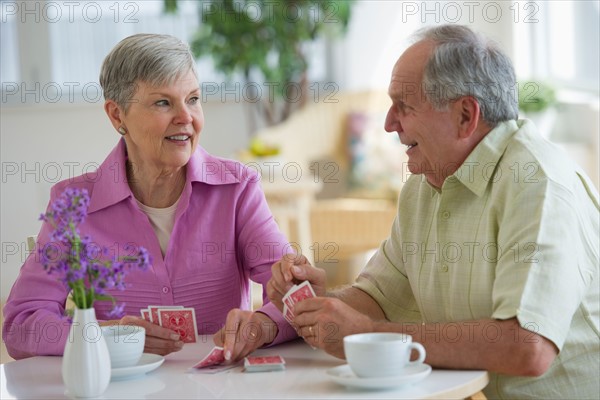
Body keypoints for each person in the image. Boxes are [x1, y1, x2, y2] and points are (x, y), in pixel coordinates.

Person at [268, 25, 599, 399]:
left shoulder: (536, 183)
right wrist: (313, 303)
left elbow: (527, 346)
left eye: (404, 106)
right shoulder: (425, 185)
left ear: (465, 116)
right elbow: (377, 299)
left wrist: (366, 334)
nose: (389, 123)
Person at [3, 33, 296, 361]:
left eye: (193, 99)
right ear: (117, 115)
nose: (186, 117)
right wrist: (110, 336)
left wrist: (263, 324)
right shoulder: (74, 204)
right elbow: (23, 323)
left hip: (221, 388)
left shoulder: (237, 189)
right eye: (163, 102)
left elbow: (295, 294)